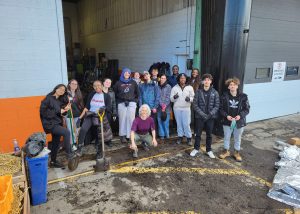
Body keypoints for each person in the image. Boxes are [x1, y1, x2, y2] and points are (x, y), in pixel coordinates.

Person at [40, 84, 75, 168]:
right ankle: (70, 154)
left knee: (56, 143)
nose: (61, 91)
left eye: (63, 90)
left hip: (57, 123)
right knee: (66, 132)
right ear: (56, 88)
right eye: (60, 88)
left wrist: (65, 110)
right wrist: (60, 110)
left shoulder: (58, 100)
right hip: (50, 124)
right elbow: (43, 112)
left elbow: (61, 113)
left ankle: (53, 161)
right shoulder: (48, 99)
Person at [77, 80, 112, 158]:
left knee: (99, 135)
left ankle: (99, 151)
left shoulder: (106, 96)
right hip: (90, 115)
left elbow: (109, 107)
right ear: (93, 87)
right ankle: (79, 148)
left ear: (102, 86)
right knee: (83, 129)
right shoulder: (92, 94)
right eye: (95, 86)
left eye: (99, 85)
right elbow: (87, 107)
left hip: (100, 116)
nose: (97, 87)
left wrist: (104, 108)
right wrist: (80, 118)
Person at [219, 77, 250, 162]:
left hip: (239, 121)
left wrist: (240, 116)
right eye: (230, 85)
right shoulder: (224, 96)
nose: (232, 86)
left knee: (238, 137)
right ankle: (226, 151)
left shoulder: (243, 96)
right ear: (228, 87)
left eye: (234, 85)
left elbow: (247, 109)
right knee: (226, 137)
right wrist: (226, 116)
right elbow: (220, 108)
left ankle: (236, 152)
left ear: (237, 86)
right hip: (227, 120)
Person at [190, 74, 220, 159]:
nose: (207, 81)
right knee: (198, 134)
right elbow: (195, 105)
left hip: (210, 117)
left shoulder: (215, 92)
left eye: (208, 80)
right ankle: (196, 149)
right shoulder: (198, 92)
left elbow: (217, 105)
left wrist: (210, 114)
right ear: (202, 82)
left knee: (209, 135)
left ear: (211, 81)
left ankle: (209, 150)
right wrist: (203, 114)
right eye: (205, 80)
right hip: (200, 117)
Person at [113, 68, 140, 143]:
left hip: (131, 103)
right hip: (121, 103)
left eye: (128, 73)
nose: (127, 74)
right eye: (125, 73)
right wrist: (120, 101)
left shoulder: (133, 82)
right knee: (122, 119)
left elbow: (137, 93)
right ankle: (122, 136)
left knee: (131, 119)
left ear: (130, 74)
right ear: (123, 73)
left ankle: (130, 135)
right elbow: (115, 93)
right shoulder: (118, 83)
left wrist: (135, 101)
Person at [170, 73, 195, 145]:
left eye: (184, 78)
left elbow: (193, 97)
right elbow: (171, 99)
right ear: (179, 79)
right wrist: (174, 97)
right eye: (181, 78)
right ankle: (180, 137)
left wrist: (189, 99)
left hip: (186, 108)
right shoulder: (174, 88)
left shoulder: (190, 87)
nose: (182, 79)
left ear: (186, 79)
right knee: (179, 124)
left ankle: (189, 138)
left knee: (186, 124)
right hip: (177, 108)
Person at [65, 79, 84, 148]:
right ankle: (72, 144)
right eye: (72, 83)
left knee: (76, 129)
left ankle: (77, 142)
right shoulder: (66, 93)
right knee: (70, 130)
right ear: (69, 84)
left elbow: (81, 104)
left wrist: (81, 115)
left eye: (76, 84)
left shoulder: (78, 93)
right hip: (69, 114)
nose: (74, 85)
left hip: (77, 114)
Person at [157, 74, 172, 140]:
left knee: (166, 122)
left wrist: (165, 105)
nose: (162, 79)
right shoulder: (157, 86)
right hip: (159, 107)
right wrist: (161, 104)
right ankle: (162, 135)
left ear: (166, 79)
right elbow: (157, 97)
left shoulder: (168, 86)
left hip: (167, 108)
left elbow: (169, 96)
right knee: (160, 121)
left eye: (164, 78)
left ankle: (167, 135)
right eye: (161, 78)